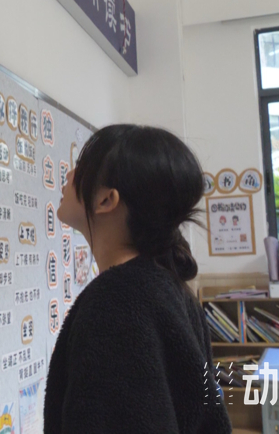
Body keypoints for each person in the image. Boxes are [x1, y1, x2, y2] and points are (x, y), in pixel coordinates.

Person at [43, 125, 231, 433]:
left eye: (83, 166)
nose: (70, 174)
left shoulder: (114, 305)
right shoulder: (168, 286)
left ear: (107, 200)